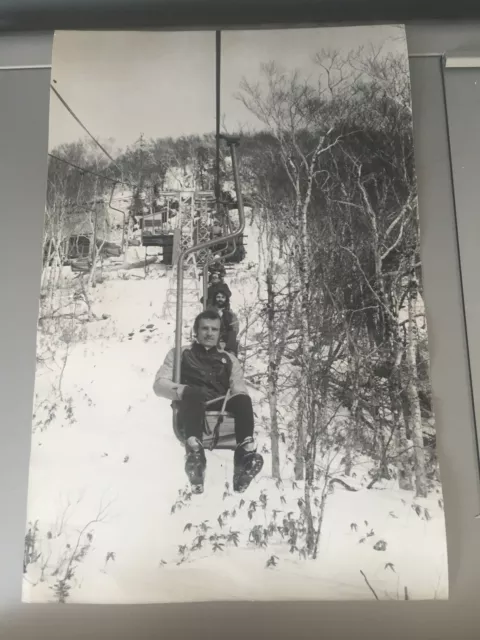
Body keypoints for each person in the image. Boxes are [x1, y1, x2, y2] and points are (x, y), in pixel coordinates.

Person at [153, 309, 263, 493]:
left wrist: (238, 400)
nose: (209, 333)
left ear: (220, 333)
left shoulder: (229, 359)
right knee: (195, 394)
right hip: (191, 405)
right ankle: (195, 456)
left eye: (214, 329)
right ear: (196, 331)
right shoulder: (180, 354)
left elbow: (238, 388)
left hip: (219, 405)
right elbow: (159, 384)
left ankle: (244, 459)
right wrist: (183, 391)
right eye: (205, 328)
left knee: (243, 400)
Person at [207, 285, 239, 356]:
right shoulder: (209, 310)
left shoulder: (230, 314)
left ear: (226, 299)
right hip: (211, 335)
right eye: (218, 297)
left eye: (222, 297)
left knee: (232, 333)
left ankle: (230, 353)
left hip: (225, 339)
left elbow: (235, 328)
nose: (220, 299)